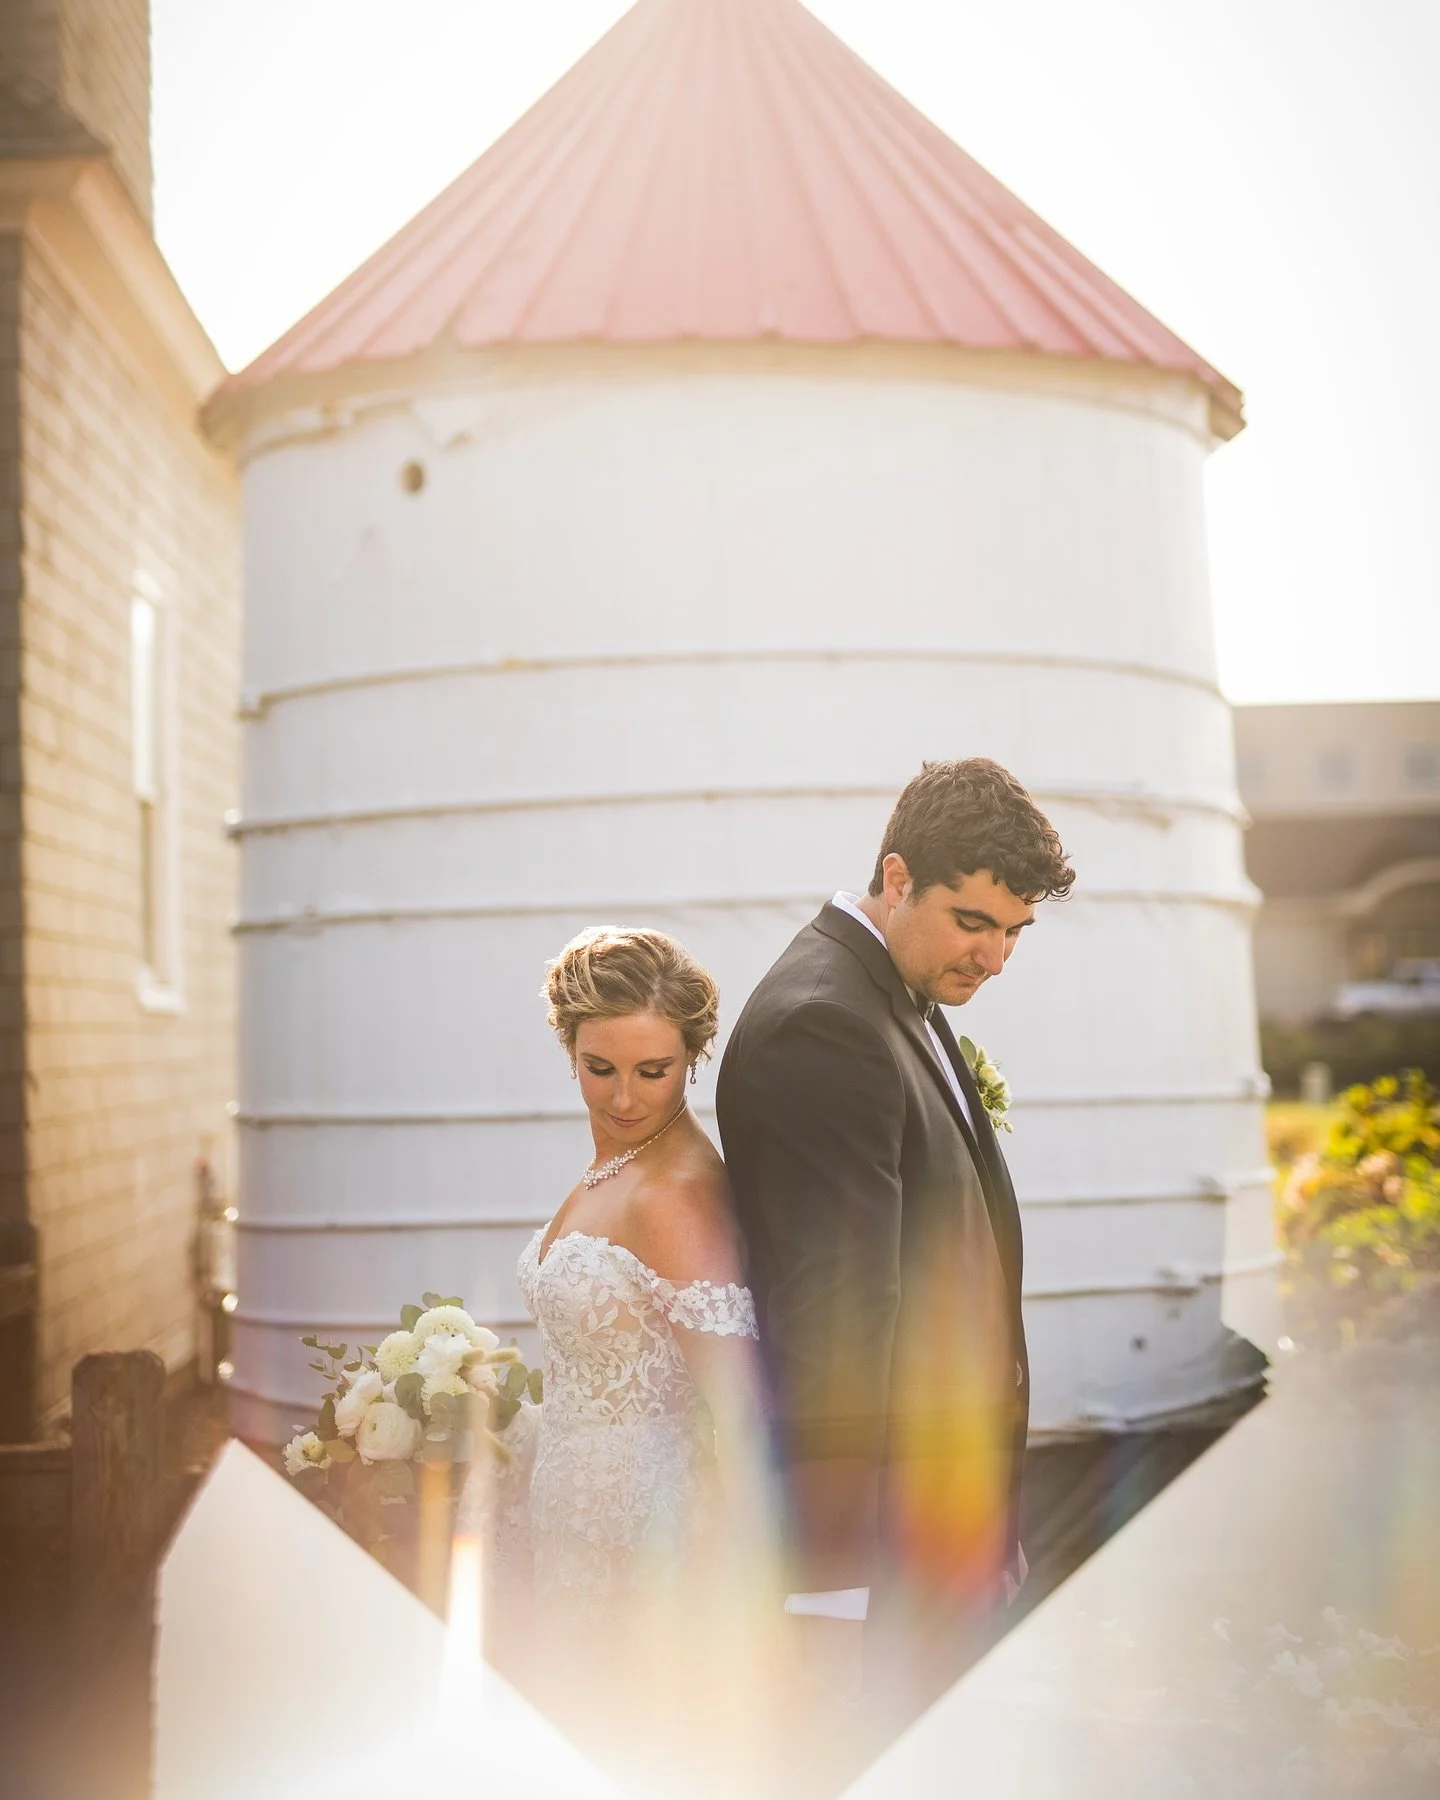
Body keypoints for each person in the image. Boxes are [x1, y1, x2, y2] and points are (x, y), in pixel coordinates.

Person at [715, 758, 1075, 1753]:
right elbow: (835, 1321)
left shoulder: (899, 996)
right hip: (877, 1561)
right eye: (973, 921)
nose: (995, 957)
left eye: (1015, 932)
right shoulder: (823, 1026)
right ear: (897, 874)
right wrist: (828, 1593)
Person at [484, 925, 777, 1787]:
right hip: (569, 1512)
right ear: (568, 1047)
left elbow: (739, 1413)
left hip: (649, 1541)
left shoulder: (678, 1191)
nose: (622, 1097)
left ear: (692, 1057)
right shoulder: (616, 1167)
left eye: (654, 1070)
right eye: (598, 1066)